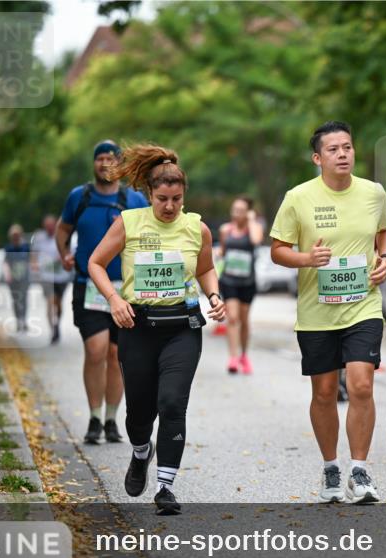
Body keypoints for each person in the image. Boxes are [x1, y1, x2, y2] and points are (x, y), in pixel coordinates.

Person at [88, 144, 224, 516]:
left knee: (172, 402)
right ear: (149, 194)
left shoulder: (197, 228)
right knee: (139, 413)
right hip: (138, 326)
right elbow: (95, 263)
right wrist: (115, 299)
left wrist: (213, 295)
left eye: (177, 199)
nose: (169, 206)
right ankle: (140, 452)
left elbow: (205, 269)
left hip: (182, 327)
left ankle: (165, 486)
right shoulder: (129, 223)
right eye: (162, 199)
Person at [270, 121, 386, 504]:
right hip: (317, 312)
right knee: (324, 392)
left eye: (348, 147)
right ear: (317, 158)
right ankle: (330, 467)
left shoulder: (373, 193)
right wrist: (307, 258)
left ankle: (359, 470)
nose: (343, 154)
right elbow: (277, 249)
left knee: (361, 384)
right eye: (333, 149)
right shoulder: (298, 197)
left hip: (363, 305)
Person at [56, 140, 148, 445]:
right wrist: (64, 253)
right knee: (95, 351)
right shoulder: (79, 197)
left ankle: (111, 419)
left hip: (126, 290)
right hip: (89, 284)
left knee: (116, 354)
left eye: (111, 158)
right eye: (100, 159)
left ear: (119, 165)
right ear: (93, 163)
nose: (105, 163)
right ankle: (94, 418)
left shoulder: (134, 199)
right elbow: (62, 230)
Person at [218, 195, 265, 373]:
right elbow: (222, 251)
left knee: (244, 320)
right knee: (233, 318)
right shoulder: (225, 230)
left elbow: (255, 240)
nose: (236, 213)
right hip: (228, 280)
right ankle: (233, 357)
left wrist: (252, 220)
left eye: (241, 210)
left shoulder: (254, 228)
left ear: (248, 213)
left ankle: (244, 355)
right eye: (234, 210)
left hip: (247, 282)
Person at [31, 214, 71, 343]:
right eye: (47, 226)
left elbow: (69, 252)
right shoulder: (39, 238)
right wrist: (35, 266)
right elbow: (34, 254)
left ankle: (57, 324)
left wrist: (63, 257)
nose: (49, 228)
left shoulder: (62, 236)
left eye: (51, 226)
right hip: (46, 276)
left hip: (61, 276)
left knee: (58, 303)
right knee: (50, 301)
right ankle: (52, 330)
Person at [3, 224, 31, 332]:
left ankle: (23, 320)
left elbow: (30, 260)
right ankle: (18, 320)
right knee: (15, 300)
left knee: (23, 299)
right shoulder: (8, 248)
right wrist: (8, 274)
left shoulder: (25, 247)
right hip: (13, 278)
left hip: (24, 277)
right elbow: (6, 262)